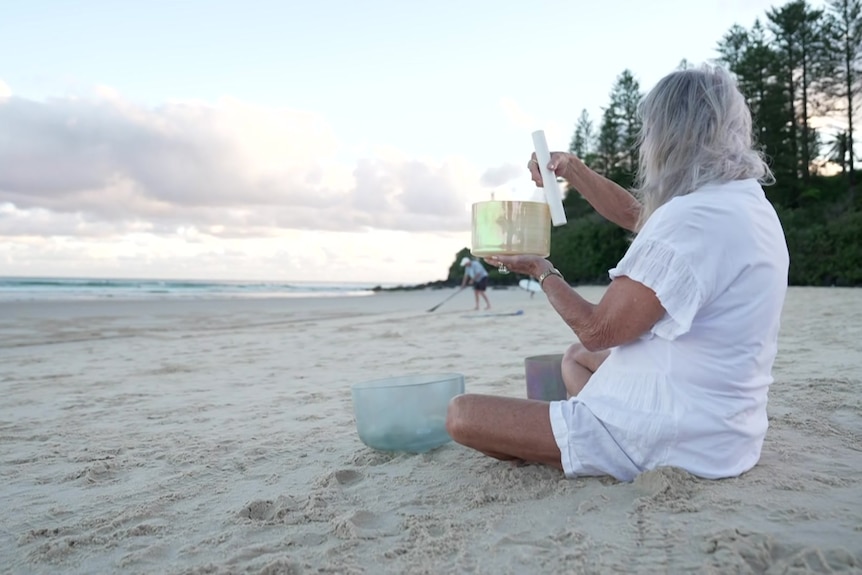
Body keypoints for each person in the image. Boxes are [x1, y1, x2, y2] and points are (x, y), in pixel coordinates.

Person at [445, 65, 789, 481]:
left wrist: (541, 269)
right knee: (574, 361)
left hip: (674, 433)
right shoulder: (743, 202)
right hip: (728, 429)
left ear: (668, 134)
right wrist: (572, 169)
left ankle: (598, 441)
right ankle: (582, 429)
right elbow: (637, 216)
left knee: (462, 414)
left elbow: (598, 331)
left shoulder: (691, 219)